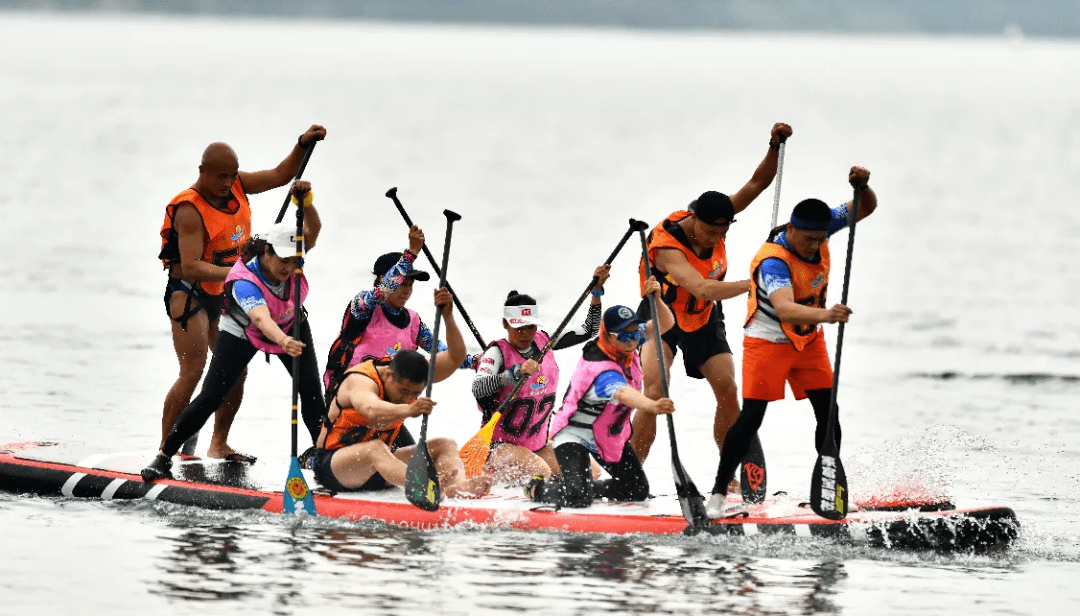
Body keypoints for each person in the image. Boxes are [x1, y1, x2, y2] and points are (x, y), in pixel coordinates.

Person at [628, 122, 793, 491]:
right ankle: (631, 475)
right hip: (662, 316)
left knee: (728, 388)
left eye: (725, 232)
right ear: (694, 220)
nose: (719, 238)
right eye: (713, 232)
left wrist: (774, 146)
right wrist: (758, 283)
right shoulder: (666, 245)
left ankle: (729, 476)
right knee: (655, 392)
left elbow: (757, 185)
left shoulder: (717, 215)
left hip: (704, 320)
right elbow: (701, 287)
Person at [706, 166, 878, 517]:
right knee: (752, 417)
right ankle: (718, 496)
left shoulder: (822, 224)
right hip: (767, 340)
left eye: (821, 238)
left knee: (829, 413)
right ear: (792, 228)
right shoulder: (773, 262)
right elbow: (785, 309)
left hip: (807, 341)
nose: (816, 245)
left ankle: (829, 487)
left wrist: (864, 186)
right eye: (808, 239)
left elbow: (865, 207)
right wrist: (827, 316)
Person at [157, 125, 327, 460]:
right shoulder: (190, 209)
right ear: (203, 171)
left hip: (231, 292)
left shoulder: (236, 183)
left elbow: (281, 174)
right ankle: (167, 447)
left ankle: (218, 443)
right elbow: (191, 266)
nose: (226, 182)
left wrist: (302, 144)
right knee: (193, 371)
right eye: (220, 176)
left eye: (231, 175)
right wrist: (244, 274)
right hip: (191, 293)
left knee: (235, 371)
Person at [314, 226, 477, 467]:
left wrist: (476, 362)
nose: (407, 290)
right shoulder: (363, 306)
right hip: (350, 403)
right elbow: (381, 293)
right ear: (382, 279)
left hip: (390, 407)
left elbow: (442, 352)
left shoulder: (413, 321)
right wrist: (410, 253)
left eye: (411, 285)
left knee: (417, 460)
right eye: (403, 283)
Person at [529, 287, 676, 508]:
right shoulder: (599, 367)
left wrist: (656, 298)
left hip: (605, 434)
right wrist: (653, 405)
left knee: (637, 490)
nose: (632, 342)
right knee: (578, 499)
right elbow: (623, 393)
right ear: (608, 335)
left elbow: (665, 324)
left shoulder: (627, 340)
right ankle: (538, 489)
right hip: (574, 434)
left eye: (635, 334)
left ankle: (586, 490)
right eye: (625, 336)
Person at [470, 264, 610, 483]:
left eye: (530, 326)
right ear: (505, 324)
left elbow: (590, 329)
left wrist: (596, 292)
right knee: (541, 473)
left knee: (591, 472)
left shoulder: (545, 342)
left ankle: (551, 495)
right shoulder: (496, 353)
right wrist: (513, 373)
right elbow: (477, 387)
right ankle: (513, 486)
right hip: (500, 448)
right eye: (519, 327)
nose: (525, 333)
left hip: (537, 446)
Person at [312, 350, 493, 498]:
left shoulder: (414, 377)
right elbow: (370, 409)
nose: (407, 398)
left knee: (445, 443)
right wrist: (409, 409)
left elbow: (455, 356)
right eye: (404, 391)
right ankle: (427, 487)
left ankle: (456, 486)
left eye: (414, 394)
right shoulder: (360, 380)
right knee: (375, 448)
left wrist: (447, 315)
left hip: (381, 469)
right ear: (389, 375)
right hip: (335, 468)